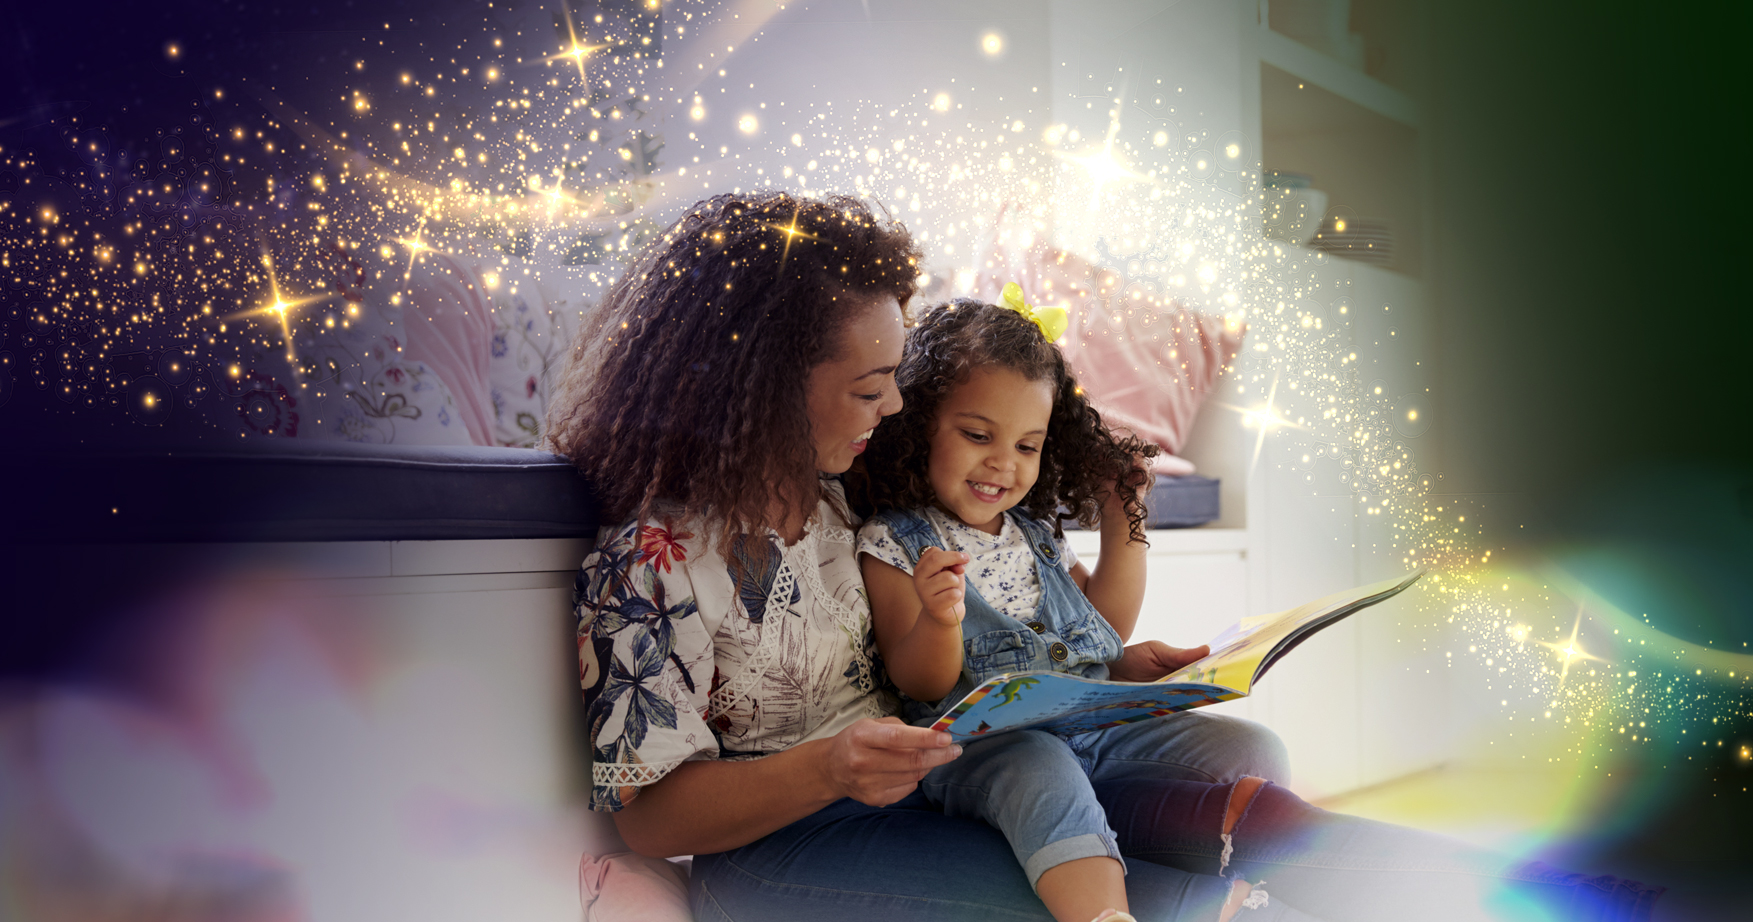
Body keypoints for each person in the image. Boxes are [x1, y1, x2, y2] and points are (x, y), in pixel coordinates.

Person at [546, 190, 1663, 922]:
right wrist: (833, 768)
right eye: (868, 385)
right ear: (759, 384)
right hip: (782, 848)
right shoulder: (648, 562)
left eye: (900, 379)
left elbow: (985, 616)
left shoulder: (856, 505)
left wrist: (1114, 675)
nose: (894, 407)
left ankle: (1499, 885)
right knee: (1132, 889)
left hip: (942, 789)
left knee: (1221, 787)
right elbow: (650, 814)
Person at [854, 293, 1236, 922]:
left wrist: (1126, 522)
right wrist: (938, 618)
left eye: (1028, 446)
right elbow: (918, 681)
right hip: (989, 754)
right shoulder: (897, 541)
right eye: (978, 436)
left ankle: (1140, 849)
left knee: (1245, 750)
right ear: (920, 425)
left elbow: (1100, 630)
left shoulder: (1033, 532)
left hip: (1089, 731)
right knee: (1042, 767)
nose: (1003, 463)